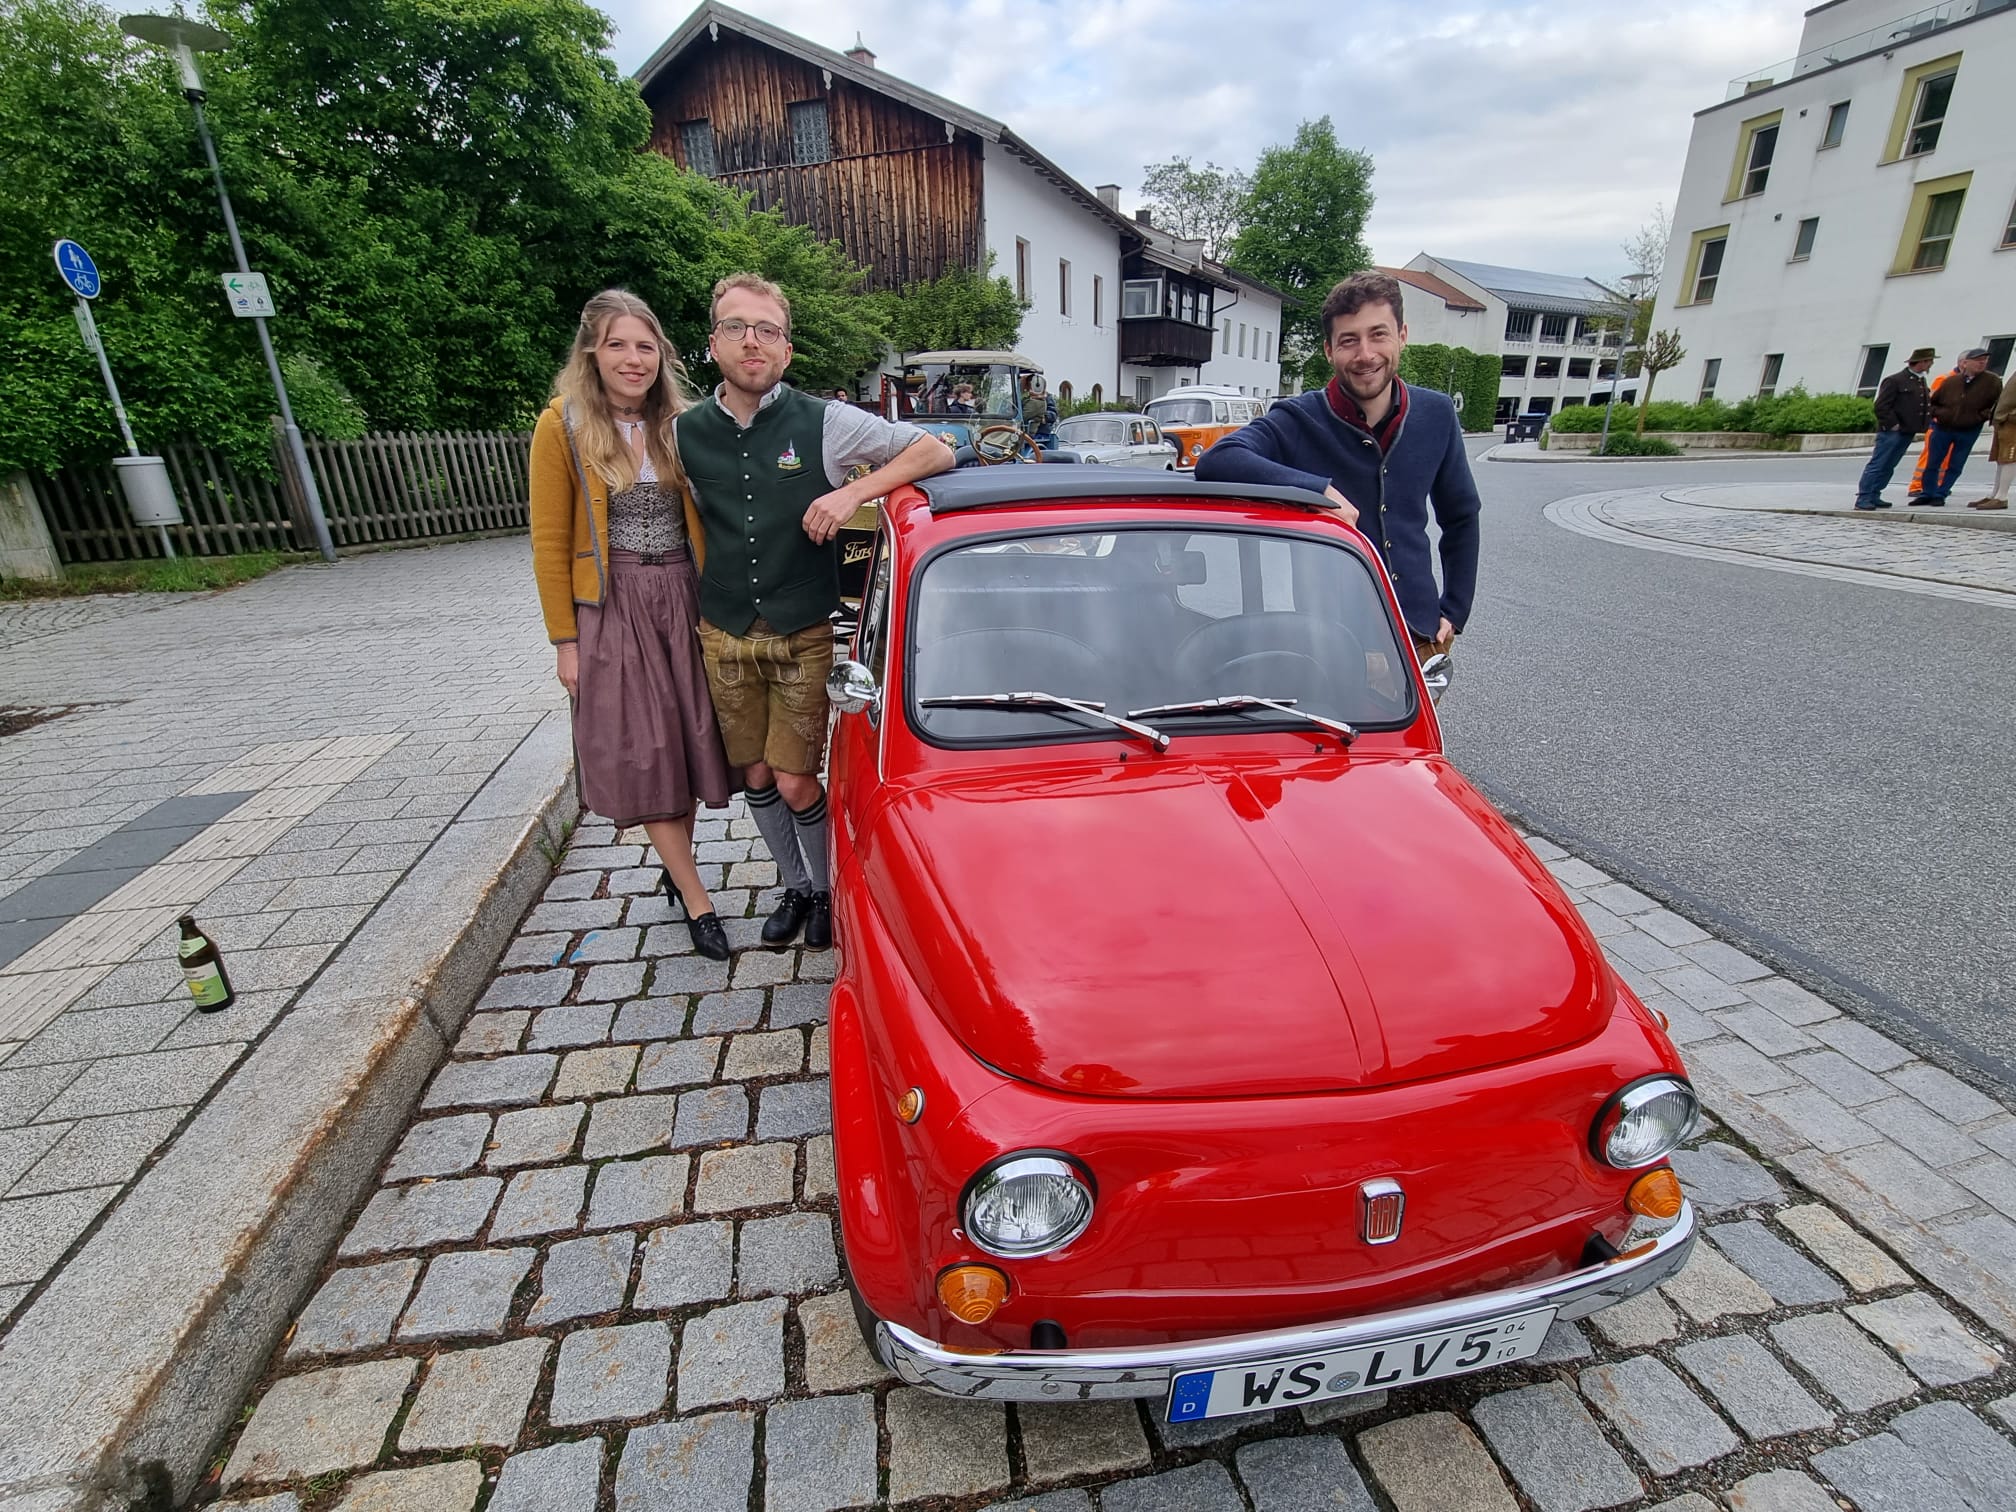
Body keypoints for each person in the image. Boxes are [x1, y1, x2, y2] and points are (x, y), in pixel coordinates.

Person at [677, 273, 955, 947]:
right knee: (754, 774)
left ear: (786, 350)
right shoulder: (683, 433)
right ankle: (794, 885)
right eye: (737, 327)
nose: (752, 341)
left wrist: (849, 494)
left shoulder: (825, 422)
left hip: (801, 629)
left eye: (767, 330)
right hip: (723, 632)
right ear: (714, 343)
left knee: (796, 778)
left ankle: (827, 888)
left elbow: (935, 450)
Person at [529, 290, 733, 960]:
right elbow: (548, 542)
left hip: (684, 594)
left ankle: (679, 869)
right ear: (592, 351)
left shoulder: (680, 423)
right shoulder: (562, 425)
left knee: (689, 741)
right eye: (617, 344)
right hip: (614, 605)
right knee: (645, 749)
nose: (633, 358)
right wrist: (565, 641)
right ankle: (698, 900)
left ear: (661, 355)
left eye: (645, 346)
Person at [1195, 270, 1481, 660]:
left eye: (1378, 334)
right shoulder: (1298, 418)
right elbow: (1219, 459)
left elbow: (1461, 516)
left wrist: (1455, 609)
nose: (1365, 354)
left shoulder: (1437, 413)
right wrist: (1317, 491)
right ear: (1329, 350)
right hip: (1331, 641)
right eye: (1349, 340)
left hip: (1418, 632)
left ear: (1402, 335)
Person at [1909, 348, 2004, 505]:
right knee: (1933, 462)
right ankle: (1927, 493)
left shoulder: (1992, 382)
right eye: (1978, 360)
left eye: (1984, 360)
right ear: (1965, 363)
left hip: (1969, 429)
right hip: (1943, 427)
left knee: (1956, 464)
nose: (1982, 363)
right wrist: (1938, 414)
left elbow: (1996, 405)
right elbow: (1933, 402)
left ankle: (1941, 494)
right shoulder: (1951, 381)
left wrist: (1980, 417)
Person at [1855, 347, 1933, 510]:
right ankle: (1864, 497)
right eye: (1929, 361)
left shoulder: (1919, 380)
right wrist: (1893, 424)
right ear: (1921, 362)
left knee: (1889, 465)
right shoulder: (1895, 380)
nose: (1931, 364)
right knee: (1878, 464)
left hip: (1907, 430)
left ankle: (1875, 494)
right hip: (1892, 431)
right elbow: (1881, 406)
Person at [1973, 374, 2016, 510]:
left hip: (2011, 422)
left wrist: (2011, 416)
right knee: (2001, 459)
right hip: (2004, 421)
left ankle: (2001, 497)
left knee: (2009, 458)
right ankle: (1995, 495)